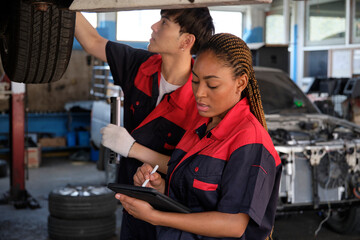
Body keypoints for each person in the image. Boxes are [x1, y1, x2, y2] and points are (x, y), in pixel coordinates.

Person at [116, 33, 282, 240]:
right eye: (195, 81)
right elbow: (195, 197)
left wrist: (157, 217)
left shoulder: (249, 141)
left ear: (240, 83)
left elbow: (234, 224)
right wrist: (159, 187)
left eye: (212, 85)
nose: (200, 93)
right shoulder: (199, 126)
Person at [75, 8, 214, 240]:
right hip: (131, 201)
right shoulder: (140, 65)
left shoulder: (199, 101)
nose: (154, 27)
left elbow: (190, 169)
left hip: (173, 213)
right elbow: (92, 41)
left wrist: (132, 149)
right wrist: (67, 6)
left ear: (186, 41)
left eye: (165, 22)